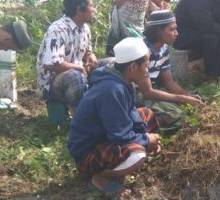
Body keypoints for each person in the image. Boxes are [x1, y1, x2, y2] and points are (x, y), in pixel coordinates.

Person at [68, 37, 161, 199]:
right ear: (133, 67)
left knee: (147, 114)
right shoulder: (112, 90)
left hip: (105, 136)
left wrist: (145, 136)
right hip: (88, 152)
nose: (147, 71)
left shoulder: (123, 81)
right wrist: (146, 141)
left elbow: (132, 112)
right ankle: (101, 178)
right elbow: (120, 135)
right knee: (137, 154)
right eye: (146, 66)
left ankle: (122, 163)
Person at [139, 10, 202, 132]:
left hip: (151, 89)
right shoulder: (144, 52)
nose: (176, 33)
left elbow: (169, 82)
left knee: (190, 104)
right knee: (177, 117)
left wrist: (187, 96)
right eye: (172, 29)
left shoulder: (164, 49)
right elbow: (146, 92)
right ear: (158, 32)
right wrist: (182, 99)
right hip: (138, 93)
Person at [37, 0, 98, 109]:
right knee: (76, 76)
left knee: (111, 65)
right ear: (80, 9)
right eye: (91, 6)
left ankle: (100, 111)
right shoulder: (58, 29)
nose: (94, 10)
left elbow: (86, 51)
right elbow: (50, 64)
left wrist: (91, 55)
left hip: (77, 74)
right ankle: (81, 120)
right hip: (52, 84)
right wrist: (79, 68)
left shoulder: (85, 28)